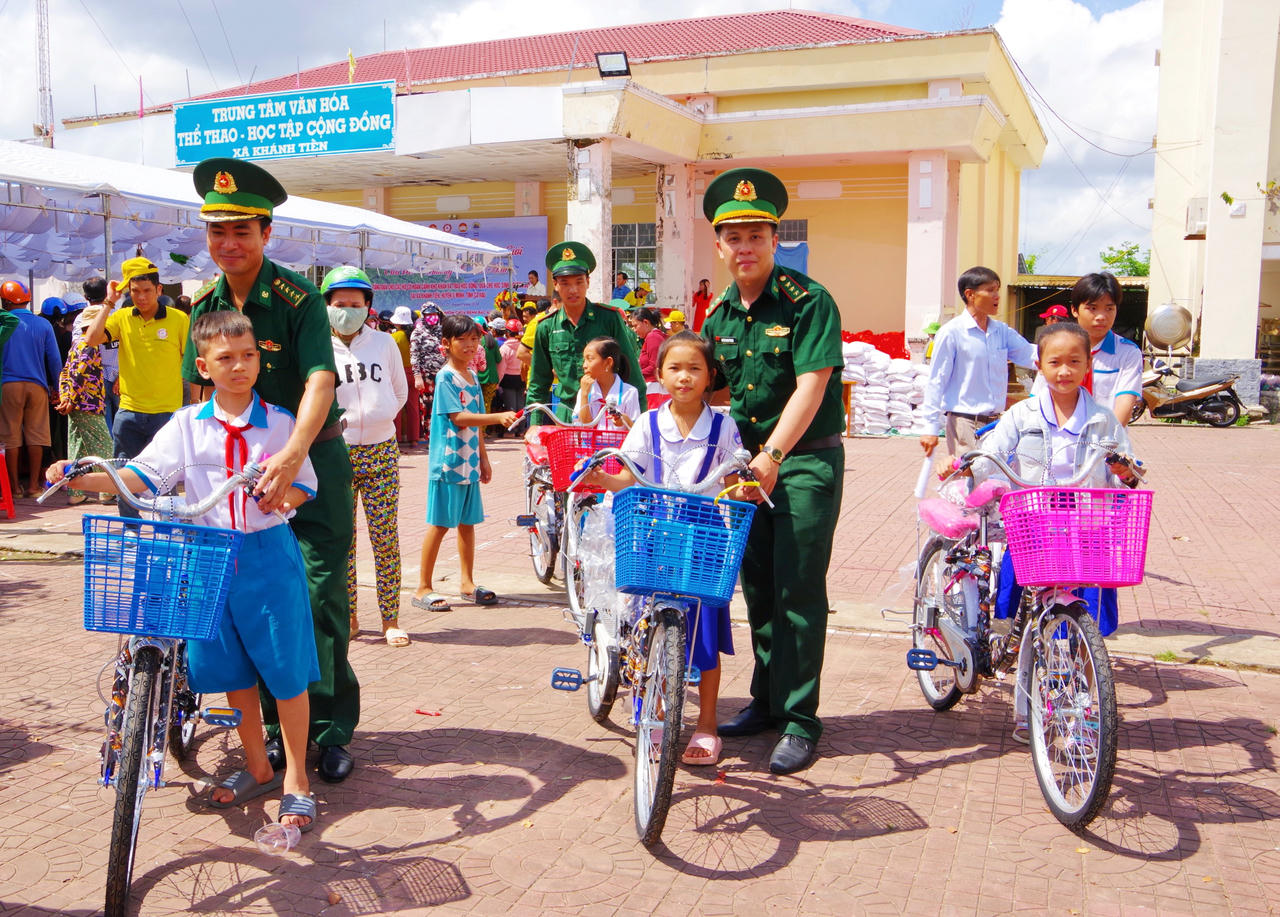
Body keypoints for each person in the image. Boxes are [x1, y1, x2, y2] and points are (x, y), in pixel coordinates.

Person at [48, 310, 321, 829]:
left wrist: (285, 496)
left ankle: (297, 781)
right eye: (226, 358)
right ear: (203, 365)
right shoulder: (186, 425)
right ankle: (258, 766)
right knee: (232, 668)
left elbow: (305, 482)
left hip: (267, 556)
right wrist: (81, 477)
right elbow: (142, 475)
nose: (239, 366)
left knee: (286, 670)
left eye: (248, 356)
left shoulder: (282, 423)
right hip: (206, 557)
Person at [183, 157, 358, 784]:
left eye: (242, 231)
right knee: (250, 601)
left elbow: (319, 380)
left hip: (312, 464)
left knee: (317, 596)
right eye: (218, 231)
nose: (228, 243)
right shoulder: (203, 304)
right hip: (237, 479)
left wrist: (291, 456)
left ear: (266, 233)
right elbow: (195, 397)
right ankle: (281, 731)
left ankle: (329, 729)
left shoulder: (297, 299)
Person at [699, 167, 845, 775]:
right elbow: (705, 390)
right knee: (757, 587)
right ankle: (765, 701)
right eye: (733, 237)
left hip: (802, 461)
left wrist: (775, 456)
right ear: (719, 246)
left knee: (797, 590)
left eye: (756, 235)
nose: (745, 247)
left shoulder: (810, 302)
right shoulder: (718, 315)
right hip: (744, 465)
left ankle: (801, 719)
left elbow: (812, 386)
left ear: (774, 239)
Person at [582, 331, 746, 766]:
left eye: (695, 368)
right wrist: (603, 480)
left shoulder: (724, 427)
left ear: (710, 376)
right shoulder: (648, 424)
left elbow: (733, 485)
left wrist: (743, 489)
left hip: (705, 536)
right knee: (645, 622)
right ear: (659, 373)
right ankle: (651, 712)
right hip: (653, 534)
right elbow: (630, 478)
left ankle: (707, 724)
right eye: (675, 368)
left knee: (706, 632)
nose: (684, 377)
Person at [977, 322, 1142, 742]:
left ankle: (1085, 702)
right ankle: (1025, 707)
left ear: (1088, 365)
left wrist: (1126, 471)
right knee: (1031, 618)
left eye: (1074, 361)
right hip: (1036, 525)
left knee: (1087, 622)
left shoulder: (1104, 420)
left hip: (1088, 526)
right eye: (1055, 362)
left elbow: (1128, 473)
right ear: (1039, 365)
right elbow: (992, 453)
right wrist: (972, 467)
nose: (1064, 370)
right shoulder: (1022, 415)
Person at [324, 266, 410, 649]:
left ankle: (391, 619)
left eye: (355, 304)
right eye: (339, 304)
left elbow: (400, 392)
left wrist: (379, 416)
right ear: (327, 307)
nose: (347, 311)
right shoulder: (319, 346)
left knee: (384, 536)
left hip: (381, 451)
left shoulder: (385, 344)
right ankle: (351, 617)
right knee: (343, 539)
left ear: (368, 306)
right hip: (336, 451)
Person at [411, 314, 517, 612]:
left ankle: (467, 583)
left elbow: (476, 425)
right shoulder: (446, 377)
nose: (471, 345)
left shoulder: (472, 375)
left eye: (474, 339)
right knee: (440, 524)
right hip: (448, 464)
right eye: (463, 339)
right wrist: (497, 417)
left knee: (467, 524)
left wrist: (484, 459)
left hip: (469, 464)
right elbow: (459, 418)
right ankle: (423, 587)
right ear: (446, 343)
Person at [83, 257, 190, 520]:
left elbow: (191, 365)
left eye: (147, 290)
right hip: (129, 411)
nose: (141, 297)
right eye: (135, 291)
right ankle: (130, 527)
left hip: (167, 414)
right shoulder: (121, 317)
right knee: (123, 475)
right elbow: (91, 338)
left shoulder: (178, 320)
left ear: (159, 290)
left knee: (165, 477)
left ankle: (167, 527)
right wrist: (109, 302)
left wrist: (192, 406)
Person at [918, 266, 1036, 458]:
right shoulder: (952, 333)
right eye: (990, 290)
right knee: (970, 475)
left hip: (995, 424)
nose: (997, 296)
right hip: (965, 424)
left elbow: (1030, 354)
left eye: (997, 290)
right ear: (970, 294)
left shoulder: (1001, 332)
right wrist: (930, 426)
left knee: (995, 476)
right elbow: (936, 380)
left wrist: (1068, 355)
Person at [527, 243, 645, 423]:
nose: (573, 290)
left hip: (605, 416)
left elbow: (633, 375)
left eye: (579, 282)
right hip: (566, 416)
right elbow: (538, 382)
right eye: (565, 283)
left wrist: (640, 426)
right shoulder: (546, 326)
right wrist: (534, 424)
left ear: (588, 282)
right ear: (555, 285)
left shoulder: (608, 318)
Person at [1032, 273, 1141, 427]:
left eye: (1109, 308)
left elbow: (1124, 404)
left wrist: (1103, 438)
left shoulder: (1128, 353)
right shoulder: (1055, 347)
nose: (1101, 316)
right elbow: (1038, 398)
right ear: (1074, 310)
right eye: (1093, 308)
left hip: (1105, 437)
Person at [0, 280, 60, 497]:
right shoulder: (43, 325)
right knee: (37, 436)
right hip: (37, 386)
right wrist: (58, 388)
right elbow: (54, 360)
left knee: (10, 436)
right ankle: (34, 486)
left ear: (5, 302)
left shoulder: (3, 323)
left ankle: (14, 488)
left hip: (8, 386)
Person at [55, 300, 113, 505]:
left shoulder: (76, 345)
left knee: (77, 448)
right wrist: (70, 399)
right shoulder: (90, 346)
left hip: (75, 404)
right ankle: (107, 491)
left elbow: (65, 373)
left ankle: (75, 492)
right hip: (88, 405)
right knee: (103, 446)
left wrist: (66, 397)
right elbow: (80, 375)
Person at [575, 337, 640, 431]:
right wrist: (584, 395)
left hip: (619, 441)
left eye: (590, 359)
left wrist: (625, 420)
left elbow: (636, 431)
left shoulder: (629, 392)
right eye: (584, 360)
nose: (584, 365)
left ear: (608, 362)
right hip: (590, 441)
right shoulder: (584, 391)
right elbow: (584, 428)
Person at [410, 303, 448, 445]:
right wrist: (417, 376)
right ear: (423, 316)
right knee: (427, 407)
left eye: (434, 314)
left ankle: (444, 435)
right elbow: (414, 355)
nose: (432, 317)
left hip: (443, 374)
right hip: (426, 376)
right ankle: (431, 438)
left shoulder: (443, 331)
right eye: (428, 315)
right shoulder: (418, 333)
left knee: (443, 405)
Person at [388, 306, 419, 448]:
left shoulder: (394, 337)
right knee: (413, 407)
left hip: (398, 373)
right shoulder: (415, 335)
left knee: (397, 406)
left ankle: (397, 438)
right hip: (415, 374)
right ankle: (414, 439)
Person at [631, 307, 666, 384]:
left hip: (653, 385)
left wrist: (634, 375)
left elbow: (655, 367)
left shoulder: (653, 337)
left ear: (646, 322)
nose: (634, 330)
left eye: (636, 326)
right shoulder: (653, 336)